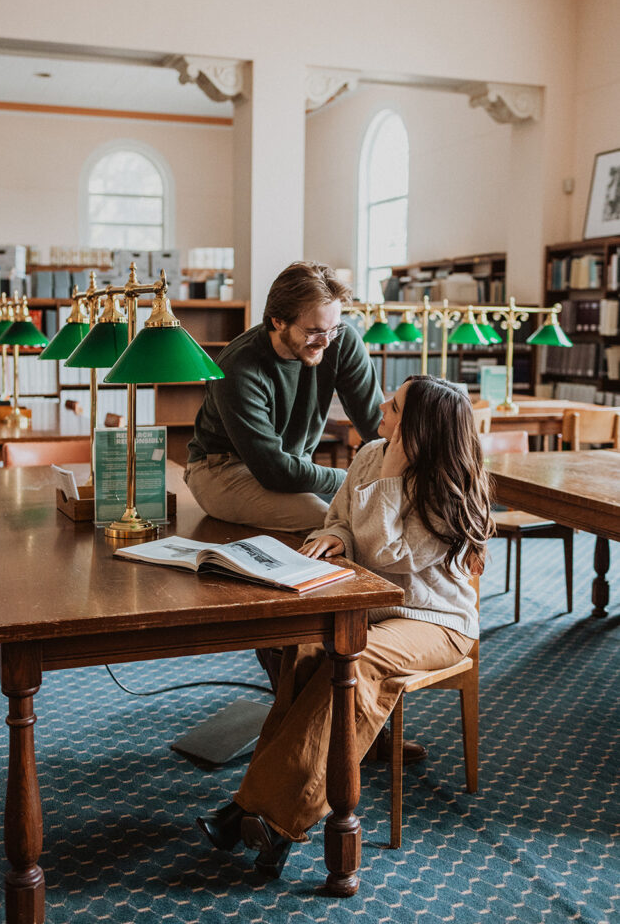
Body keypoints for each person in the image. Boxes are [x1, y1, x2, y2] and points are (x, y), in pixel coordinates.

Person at [196, 375, 494, 878]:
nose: (381, 404)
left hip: (437, 622)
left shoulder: (450, 482)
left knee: (358, 662)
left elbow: (385, 552)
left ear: (417, 429)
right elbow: (339, 520)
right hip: (372, 607)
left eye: (395, 406)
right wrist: (334, 538)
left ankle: (261, 815)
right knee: (311, 649)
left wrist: (391, 479)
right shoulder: (371, 455)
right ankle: (261, 814)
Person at [184, 261, 383, 531]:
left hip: (291, 468)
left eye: (333, 328)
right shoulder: (238, 368)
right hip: (223, 470)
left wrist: (400, 474)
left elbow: (377, 424)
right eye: (313, 332)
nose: (326, 342)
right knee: (333, 523)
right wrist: (353, 479)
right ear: (278, 321)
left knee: (379, 511)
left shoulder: (340, 340)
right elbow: (275, 472)